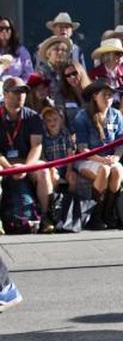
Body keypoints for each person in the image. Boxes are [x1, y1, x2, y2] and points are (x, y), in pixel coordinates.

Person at [72, 79, 123, 230]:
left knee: (117, 170)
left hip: (109, 159)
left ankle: (108, 213)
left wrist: (115, 157)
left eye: (111, 95)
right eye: (105, 95)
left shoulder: (117, 115)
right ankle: (96, 215)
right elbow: (82, 148)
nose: (109, 98)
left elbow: (120, 143)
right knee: (105, 170)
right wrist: (102, 160)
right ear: (95, 96)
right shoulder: (82, 116)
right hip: (87, 158)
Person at [1, 76, 52, 232]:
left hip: (26, 161)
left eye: (23, 92)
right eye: (16, 91)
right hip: (3, 162)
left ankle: (45, 217)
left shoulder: (33, 116)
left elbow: (36, 146)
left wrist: (26, 168)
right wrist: (9, 167)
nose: (20, 95)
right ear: (5, 93)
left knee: (43, 171)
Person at [0, 16, 34, 80]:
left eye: (7, 28)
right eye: (1, 28)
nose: (4, 31)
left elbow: (29, 74)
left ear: (12, 31)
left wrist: (20, 86)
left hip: (16, 88)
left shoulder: (21, 51)